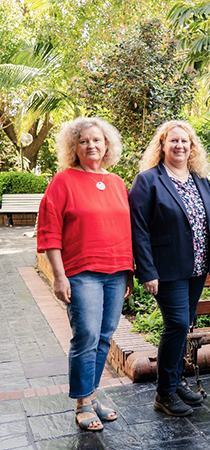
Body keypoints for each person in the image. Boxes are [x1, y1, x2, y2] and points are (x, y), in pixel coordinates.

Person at [37, 117, 134, 431]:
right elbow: (49, 231)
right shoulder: (63, 181)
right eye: (84, 141)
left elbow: (126, 231)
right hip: (82, 273)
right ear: (73, 147)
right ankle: (82, 403)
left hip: (117, 273)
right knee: (87, 336)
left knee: (105, 337)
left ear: (107, 145)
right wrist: (59, 275)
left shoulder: (118, 182)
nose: (91, 145)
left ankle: (91, 397)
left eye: (97, 140)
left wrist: (129, 273)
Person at [129, 120, 210, 416]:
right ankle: (164, 393)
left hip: (196, 267)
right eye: (173, 141)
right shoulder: (148, 180)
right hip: (167, 268)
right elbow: (138, 228)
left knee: (184, 325)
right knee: (177, 325)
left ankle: (175, 381)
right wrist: (147, 272)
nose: (180, 146)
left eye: (185, 141)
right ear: (162, 145)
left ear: (192, 146)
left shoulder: (200, 180)